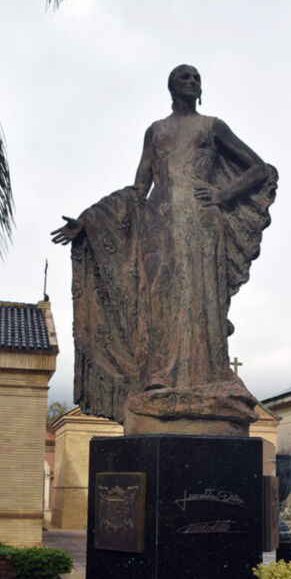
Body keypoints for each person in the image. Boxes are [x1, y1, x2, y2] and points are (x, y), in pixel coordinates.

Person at [52, 65, 278, 434]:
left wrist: (222, 195)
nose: (191, 82)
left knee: (203, 297)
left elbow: (260, 168)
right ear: (171, 87)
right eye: (184, 77)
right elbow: (139, 187)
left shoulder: (212, 126)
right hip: (159, 223)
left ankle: (208, 376)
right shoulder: (155, 130)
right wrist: (88, 221)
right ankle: (160, 377)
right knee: (161, 300)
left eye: (196, 78)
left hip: (203, 221)